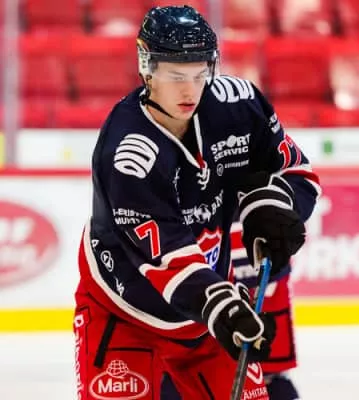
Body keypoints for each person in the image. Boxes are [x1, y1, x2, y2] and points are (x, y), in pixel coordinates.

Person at [73, 5, 321, 400]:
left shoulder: (239, 106)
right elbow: (167, 257)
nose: (189, 91)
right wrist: (222, 306)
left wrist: (274, 206)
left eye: (199, 73)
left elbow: (294, 169)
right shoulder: (128, 153)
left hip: (206, 308)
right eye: (175, 77)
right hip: (124, 312)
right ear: (147, 69)